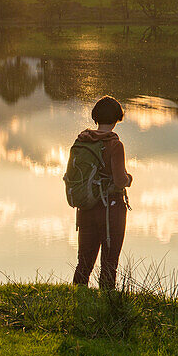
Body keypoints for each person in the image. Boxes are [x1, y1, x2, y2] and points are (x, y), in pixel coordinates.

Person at [72, 96, 133, 289]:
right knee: (109, 265)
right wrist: (129, 179)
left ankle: (77, 300)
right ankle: (106, 306)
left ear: (95, 117)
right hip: (111, 209)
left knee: (84, 263)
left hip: (86, 207)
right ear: (117, 119)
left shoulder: (82, 141)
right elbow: (119, 180)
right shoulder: (115, 145)